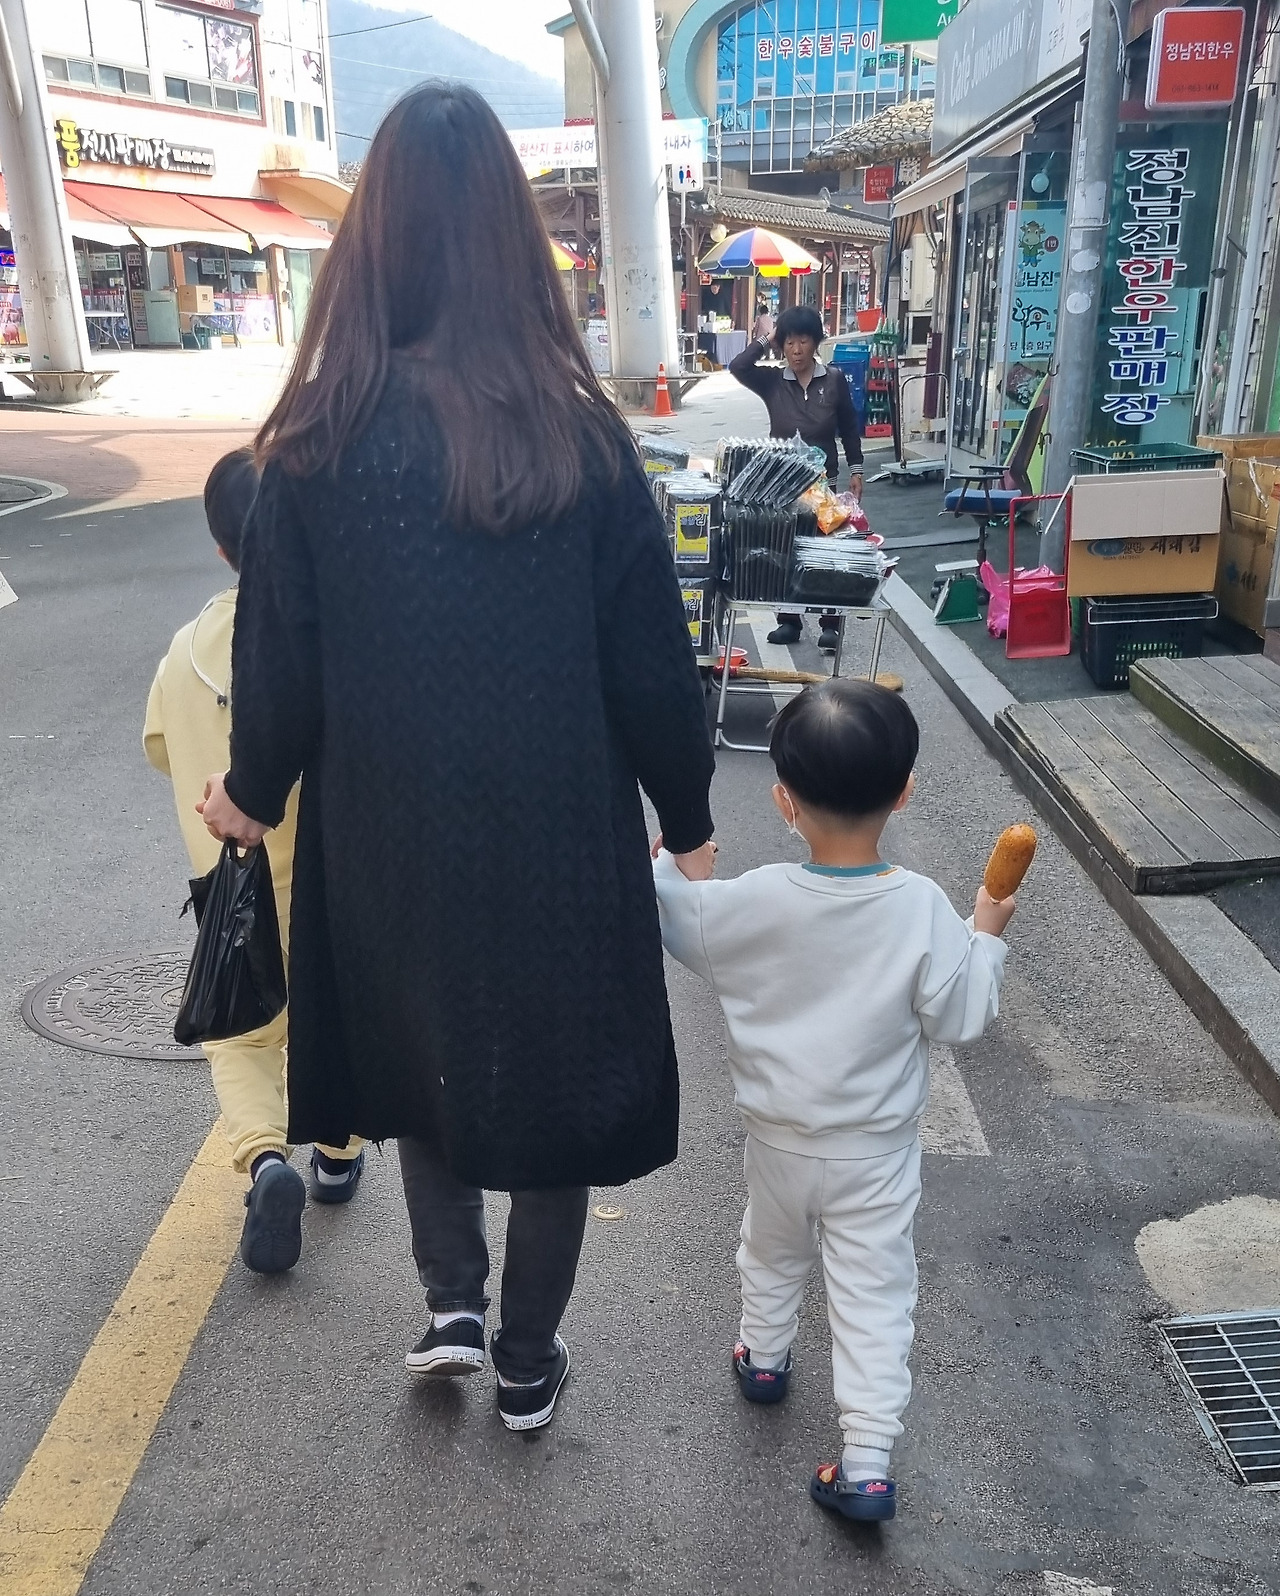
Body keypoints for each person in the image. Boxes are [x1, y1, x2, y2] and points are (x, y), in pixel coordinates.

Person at [196, 83, 717, 1432]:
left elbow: (280, 662)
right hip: (557, 826)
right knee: (554, 1079)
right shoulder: (581, 435)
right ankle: (528, 1357)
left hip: (387, 830)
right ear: (510, 241)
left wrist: (249, 794)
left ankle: (451, 1307)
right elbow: (649, 661)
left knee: (417, 1050)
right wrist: (687, 814)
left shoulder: (316, 443)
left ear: (370, 241)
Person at [651, 679, 1012, 1521]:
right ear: (905, 791)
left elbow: (680, 918)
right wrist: (987, 934)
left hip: (777, 1139)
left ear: (783, 801)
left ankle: (764, 1358)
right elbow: (961, 1015)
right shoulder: (922, 909)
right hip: (876, 1154)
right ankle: (868, 1463)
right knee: (874, 1298)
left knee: (770, 1250)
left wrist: (669, 861)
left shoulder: (757, 899)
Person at [144, 448, 366, 1275]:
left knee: (240, 1038)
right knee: (336, 1019)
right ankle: (337, 1157)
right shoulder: (325, 638)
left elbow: (159, 747)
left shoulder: (184, 650)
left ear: (221, 547)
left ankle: (267, 1161)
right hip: (325, 884)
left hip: (231, 887)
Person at [729, 304, 864, 652]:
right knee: (784, 550)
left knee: (826, 554)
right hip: (782, 485)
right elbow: (738, 366)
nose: (796, 350)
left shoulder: (833, 380)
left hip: (823, 484)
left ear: (815, 342)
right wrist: (768, 337)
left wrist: (857, 469)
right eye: (789, 342)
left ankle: (830, 623)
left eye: (803, 341)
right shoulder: (772, 381)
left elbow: (849, 427)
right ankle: (788, 620)